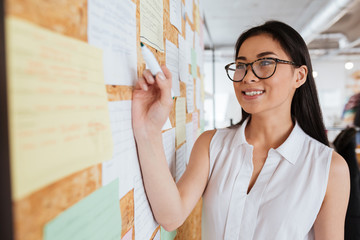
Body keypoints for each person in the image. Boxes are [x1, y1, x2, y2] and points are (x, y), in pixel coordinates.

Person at [132, 21, 350, 240]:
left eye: (266, 62)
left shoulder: (329, 168)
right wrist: (148, 129)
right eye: (241, 65)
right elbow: (171, 216)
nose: (248, 77)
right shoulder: (211, 144)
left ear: (299, 76)